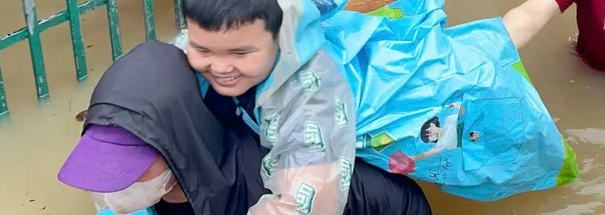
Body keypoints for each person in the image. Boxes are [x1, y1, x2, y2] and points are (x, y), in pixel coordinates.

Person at [173, 0, 578, 207]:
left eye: (240, 53)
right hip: (418, 63)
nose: (219, 66)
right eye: (202, 49)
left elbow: (303, 203)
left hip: (462, 93)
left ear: (282, 37)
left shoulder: (312, 97)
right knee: (493, 40)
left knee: (500, 110)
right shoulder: (234, 31)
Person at [58, 40, 433, 215]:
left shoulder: (262, 193)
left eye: (130, 169)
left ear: (178, 146)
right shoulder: (169, 190)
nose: (113, 188)